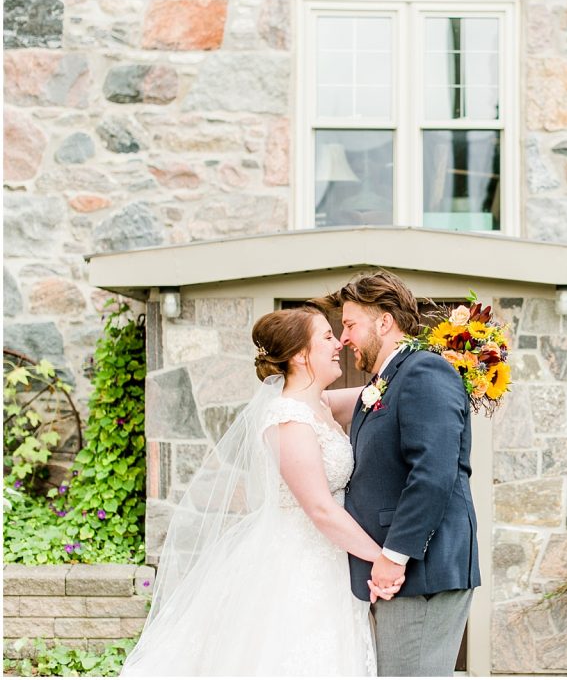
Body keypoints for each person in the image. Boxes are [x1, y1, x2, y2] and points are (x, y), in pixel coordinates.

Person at [122, 306, 399, 676]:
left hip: (331, 563)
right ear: (301, 355)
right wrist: (384, 559)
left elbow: (380, 390)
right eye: (328, 337)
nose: (339, 344)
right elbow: (320, 509)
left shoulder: (320, 404)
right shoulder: (288, 419)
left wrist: (438, 359)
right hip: (300, 565)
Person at [312, 270, 481, 677]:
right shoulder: (388, 380)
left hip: (420, 570)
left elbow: (433, 474)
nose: (345, 337)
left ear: (384, 321)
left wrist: (393, 555)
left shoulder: (425, 372)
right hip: (398, 574)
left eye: (350, 324)